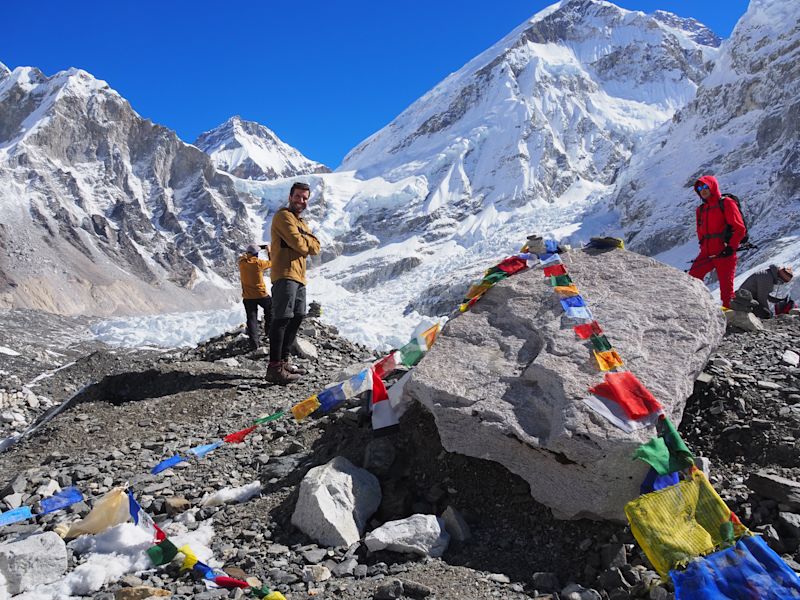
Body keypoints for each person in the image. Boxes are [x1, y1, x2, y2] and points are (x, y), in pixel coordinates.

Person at [266, 182, 320, 384]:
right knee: (281, 318)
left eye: (305, 198)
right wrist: (304, 241)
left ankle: (284, 361)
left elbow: (315, 247)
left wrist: (303, 240)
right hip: (285, 273)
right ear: (290, 197)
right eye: (298, 196)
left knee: (297, 316)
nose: (301, 201)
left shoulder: (301, 222)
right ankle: (274, 368)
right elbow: (299, 243)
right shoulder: (283, 216)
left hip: (299, 276)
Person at [687, 175, 746, 308]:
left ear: (712, 186)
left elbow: (739, 228)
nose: (703, 190)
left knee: (726, 290)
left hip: (725, 251)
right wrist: (703, 245)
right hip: (706, 252)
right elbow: (700, 230)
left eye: (705, 186)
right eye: (700, 188)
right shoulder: (701, 209)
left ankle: (729, 317)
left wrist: (731, 247)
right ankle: (695, 308)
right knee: (692, 278)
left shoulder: (726, 203)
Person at [238, 243, 272, 351]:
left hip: (248, 297)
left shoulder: (242, 262)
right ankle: (269, 333)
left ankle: (254, 344)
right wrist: (268, 251)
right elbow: (272, 262)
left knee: (251, 319)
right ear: (256, 254)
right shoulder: (259, 263)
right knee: (270, 311)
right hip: (261, 294)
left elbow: (243, 255)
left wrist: (251, 250)